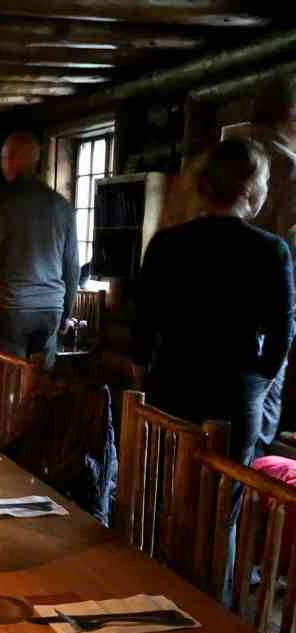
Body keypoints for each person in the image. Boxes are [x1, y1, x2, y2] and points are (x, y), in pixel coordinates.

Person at [132, 138, 294, 467]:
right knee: (221, 497)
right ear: (248, 188)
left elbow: (143, 322)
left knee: (166, 486)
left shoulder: (166, 244)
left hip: (172, 383)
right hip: (234, 394)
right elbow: (282, 333)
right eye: (264, 180)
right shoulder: (270, 251)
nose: (266, 187)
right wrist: (257, 389)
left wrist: (146, 376)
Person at [0, 133, 79, 371]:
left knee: (8, 383)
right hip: (50, 309)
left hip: (11, 310)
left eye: (4, 158)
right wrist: (66, 311)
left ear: (13, 159)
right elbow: (72, 265)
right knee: (40, 388)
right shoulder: (62, 205)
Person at [249, 77, 296, 453]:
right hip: (258, 331)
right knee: (251, 446)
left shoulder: (210, 161)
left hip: (192, 336)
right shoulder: (287, 168)